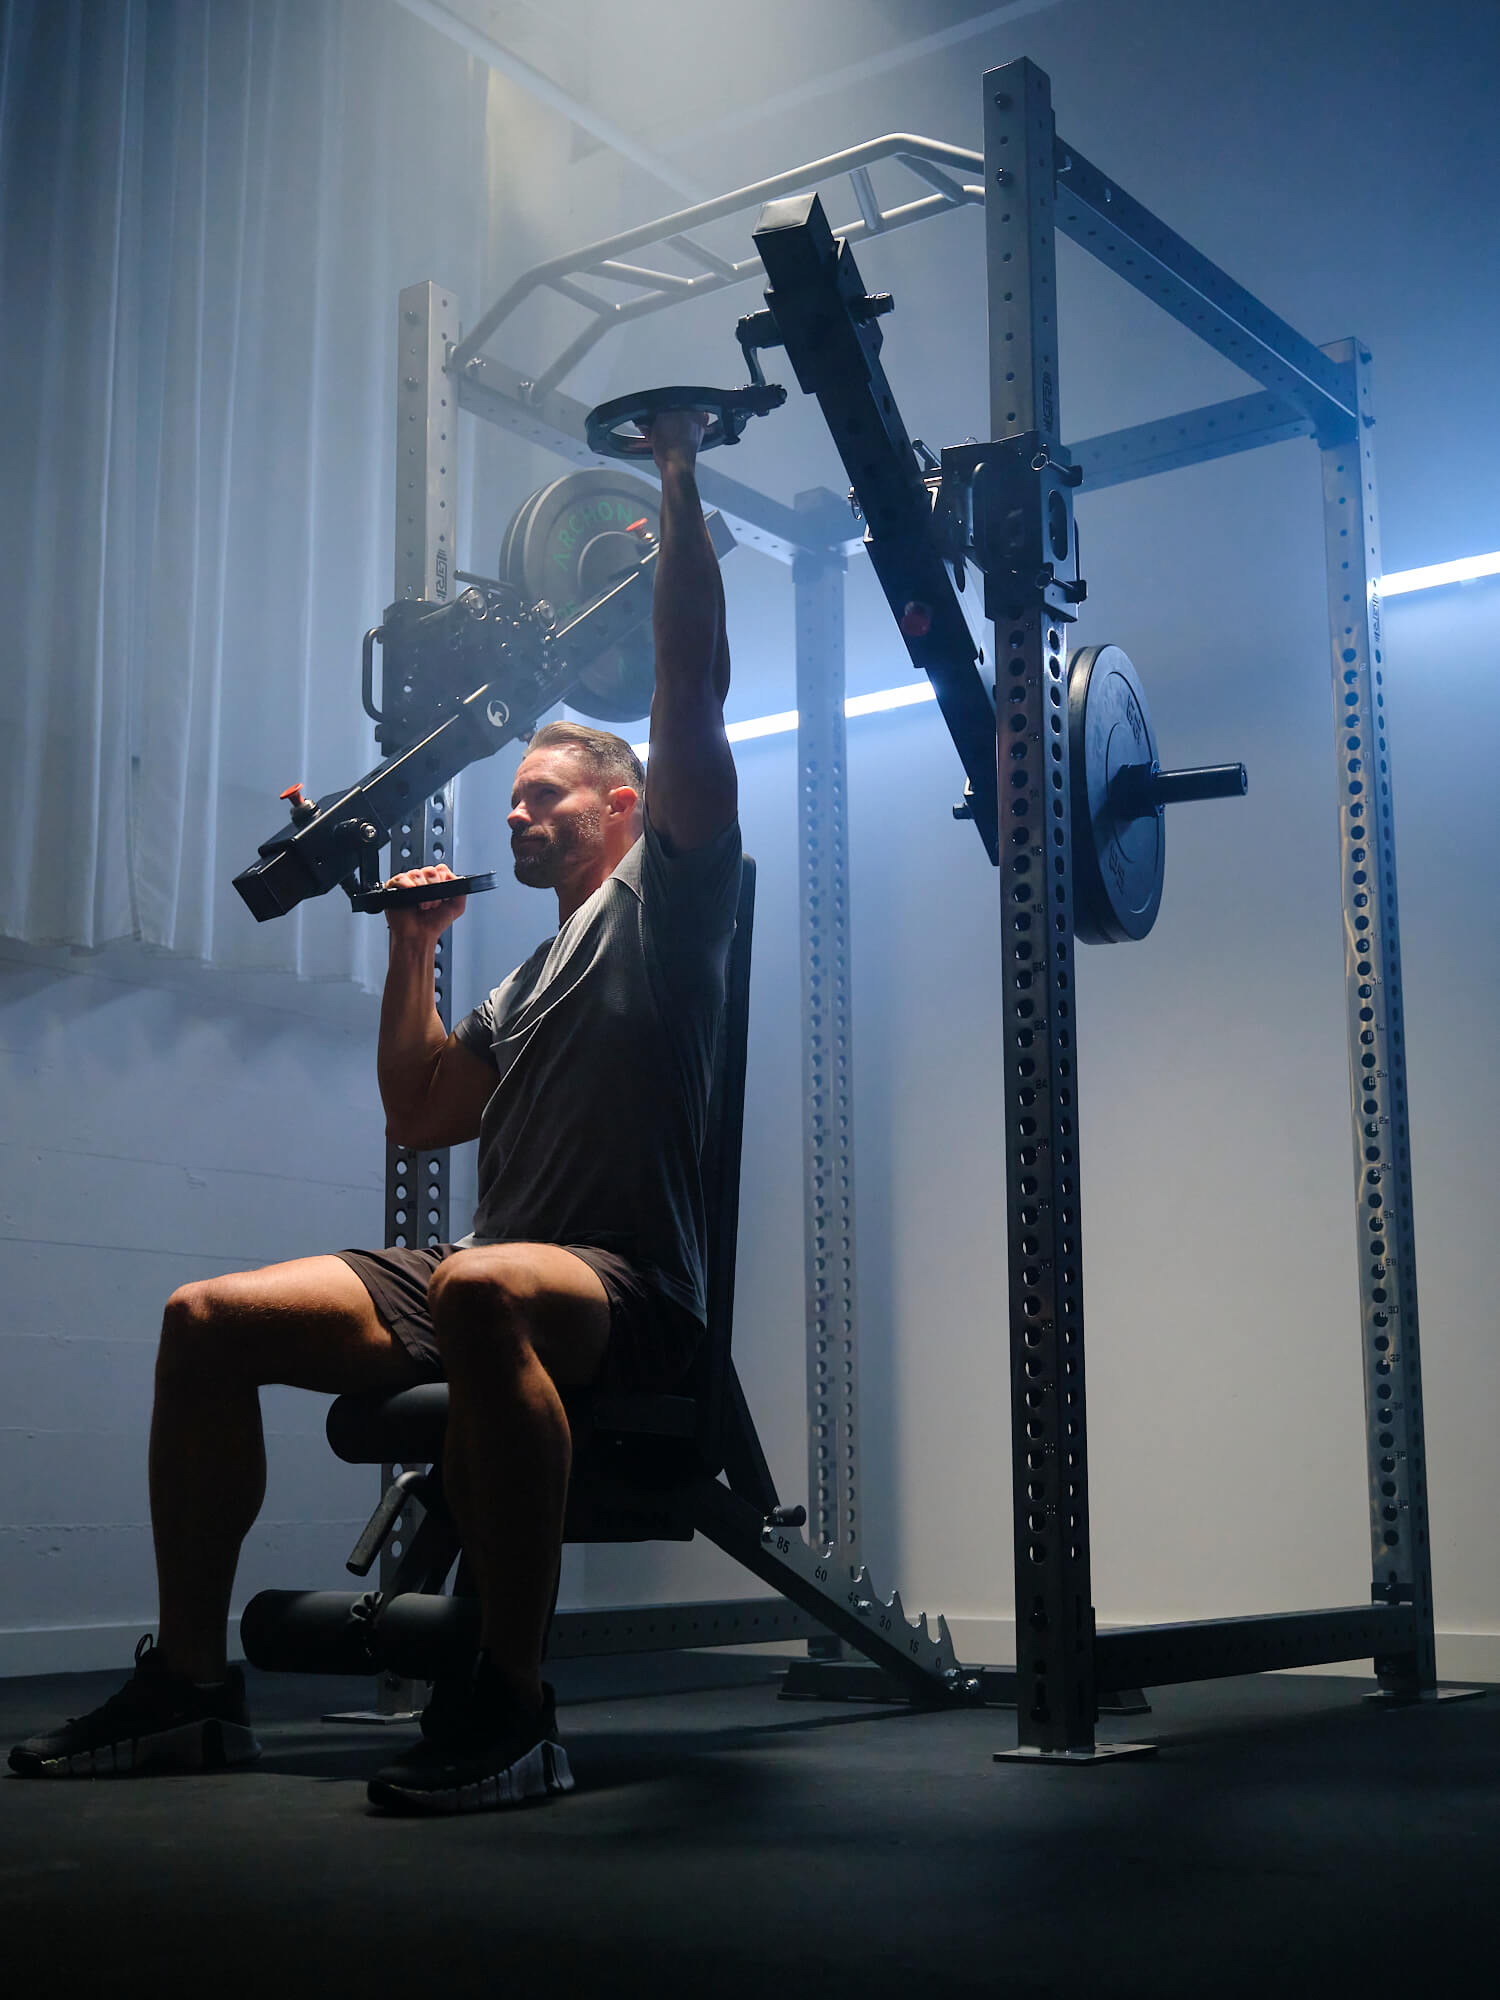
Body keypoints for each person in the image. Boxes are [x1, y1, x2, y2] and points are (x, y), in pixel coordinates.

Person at [9, 409, 741, 1814]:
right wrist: (412, 950)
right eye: (513, 800)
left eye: (543, 799)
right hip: (488, 1276)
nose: (515, 818)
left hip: (624, 1283)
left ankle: (513, 1705)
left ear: (630, 807)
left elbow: (690, 687)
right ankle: (192, 1689)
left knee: (481, 1292)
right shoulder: (528, 971)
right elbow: (419, 1113)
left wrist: (676, 470)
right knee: (204, 1322)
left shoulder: (672, 902)